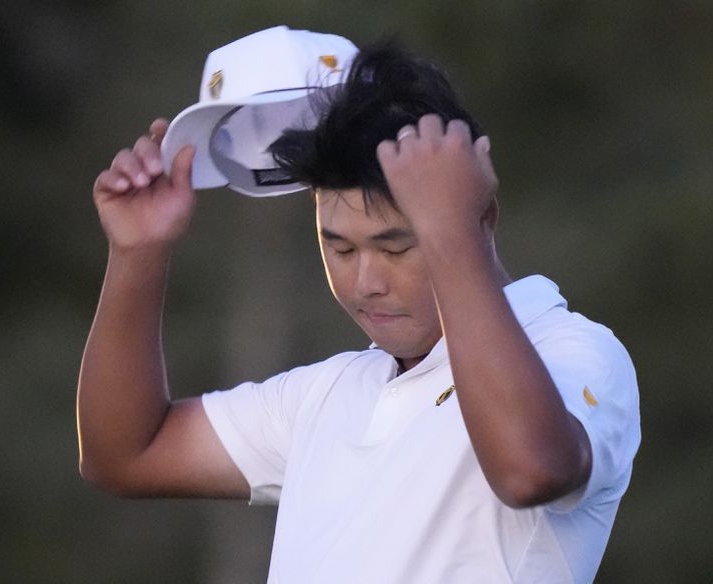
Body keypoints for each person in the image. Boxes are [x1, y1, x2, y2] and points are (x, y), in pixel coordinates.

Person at [77, 26, 640, 584]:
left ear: (481, 218)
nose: (366, 281)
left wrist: (449, 231)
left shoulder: (572, 350)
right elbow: (126, 454)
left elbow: (531, 471)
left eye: (397, 245)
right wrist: (137, 253)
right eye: (339, 246)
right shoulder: (328, 393)